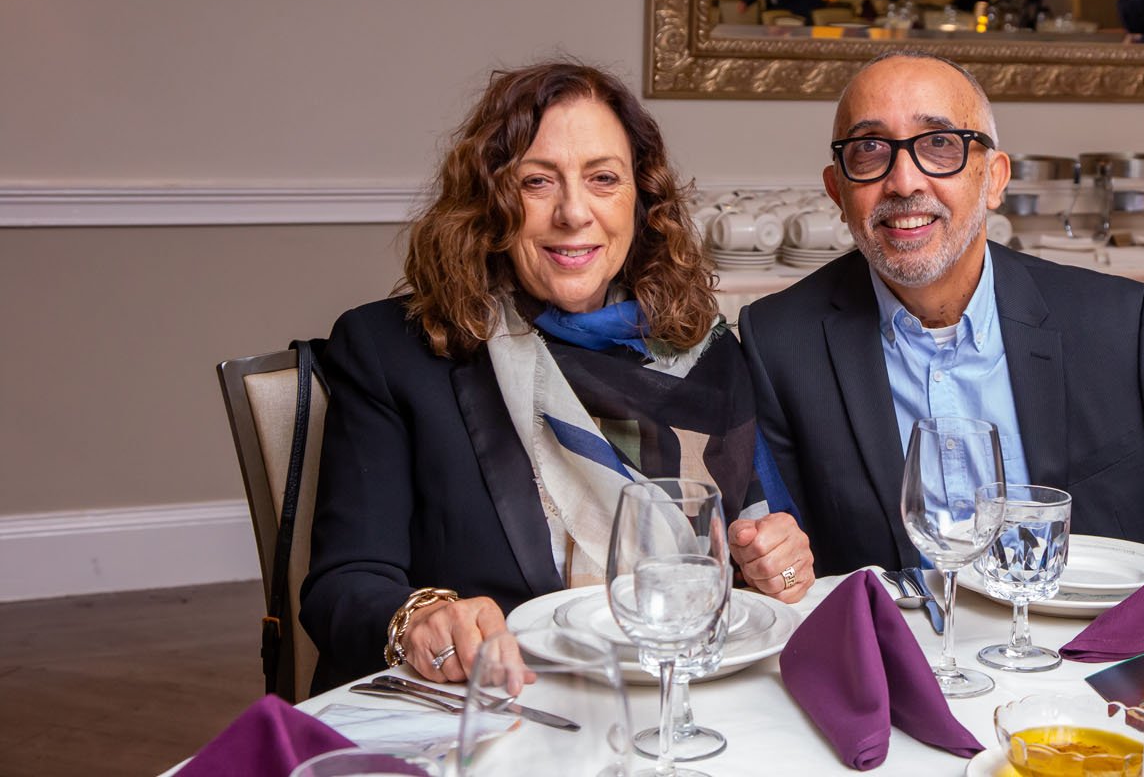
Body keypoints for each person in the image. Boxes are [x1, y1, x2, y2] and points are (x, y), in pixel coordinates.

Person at [737, 51, 1144, 614]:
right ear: (837, 189)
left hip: (1098, 673)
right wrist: (774, 568)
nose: (904, 181)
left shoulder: (1114, 325)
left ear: (993, 179)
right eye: (870, 150)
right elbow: (784, 569)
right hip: (910, 682)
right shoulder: (780, 344)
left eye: (939, 145)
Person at [301, 63, 814, 692]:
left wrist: (776, 564)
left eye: (603, 179)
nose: (574, 212)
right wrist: (421, 620)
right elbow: (342, 587)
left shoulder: (704, 350)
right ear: (490, 202)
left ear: (641, 201)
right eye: (537, 181)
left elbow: (746, 580)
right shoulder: (392, 351)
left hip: (682, 702)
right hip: (503, 710)